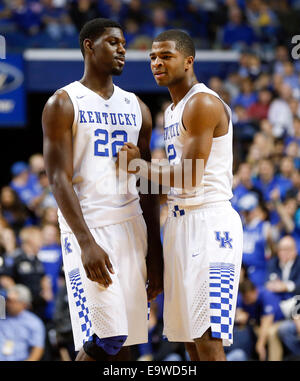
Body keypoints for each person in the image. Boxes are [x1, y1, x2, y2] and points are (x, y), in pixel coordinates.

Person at [118, 29, 243, 361]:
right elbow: (168, 183)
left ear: (189, 61)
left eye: (166, 56)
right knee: (187, 337)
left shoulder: (202, 102)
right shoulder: (171, 111)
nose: (157, 63)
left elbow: (188, 176)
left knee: (207, 336)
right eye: (153, 58)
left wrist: (139, 167)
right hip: (178, 222)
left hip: (209, 223)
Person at [42, 18, 163, 361]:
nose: (122, 49)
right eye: (113, 43)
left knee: (128, 344)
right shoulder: (63, 102)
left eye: (124, 44)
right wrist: (85, 242)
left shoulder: (138, 108)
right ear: (89, 47)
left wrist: (155, 251)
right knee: (108, 338)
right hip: (89, 227)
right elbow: (57, 178)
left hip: (132, 226)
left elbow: (147, 183)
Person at [0, 284, 45, 361]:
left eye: (12, 301)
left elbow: (38, 349)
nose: (8, 304)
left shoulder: (34, 322)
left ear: (24, 304)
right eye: (7, 300)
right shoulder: (1, 315)